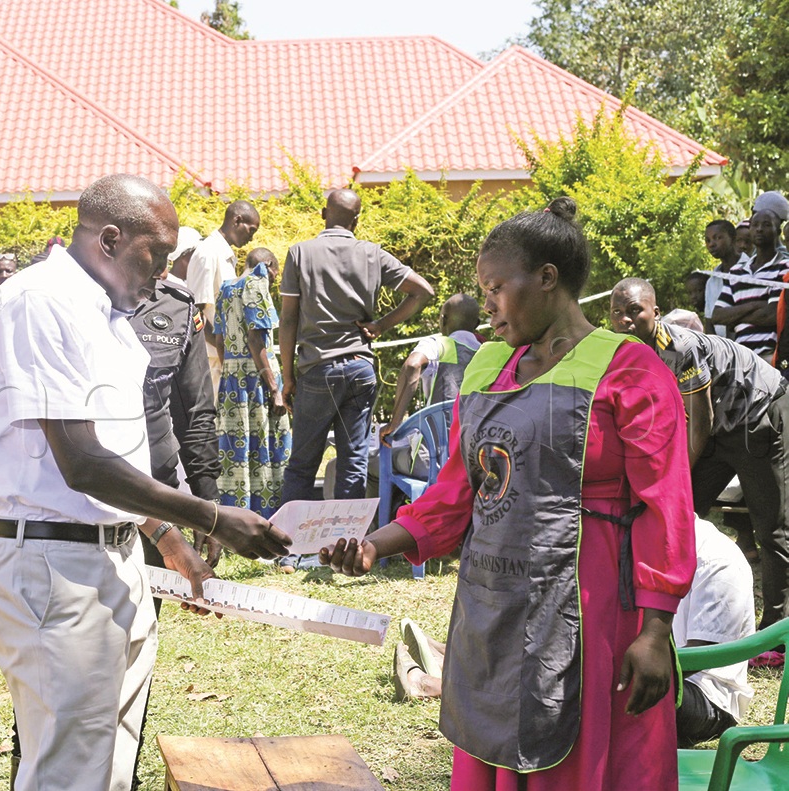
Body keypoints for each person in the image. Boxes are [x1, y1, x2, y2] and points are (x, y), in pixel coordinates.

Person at [321, 198, 695, 791]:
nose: (488, 303)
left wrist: (654, 630)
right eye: (483, 289)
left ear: (547, 279)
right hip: (491, 599)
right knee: (496, 737)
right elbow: (456, 493)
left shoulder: (630, 370)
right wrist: (377, 545)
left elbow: (665, 504)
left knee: (577, 753)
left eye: (498, 287)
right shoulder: (488, 367)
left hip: (592, 605)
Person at [0, 174, 290, 791]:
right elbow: (82, 462)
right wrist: (212, 516)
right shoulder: (42, 301)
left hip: (113, 557)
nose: (168, 271)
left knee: (113, 761)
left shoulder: (110, 311)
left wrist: (163, 533)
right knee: (69, 768)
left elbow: (117, 450)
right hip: (53, 564)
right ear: (110, 239)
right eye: (160, 253)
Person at [610, 277, 789, 647]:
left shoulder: (680, 346)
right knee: (677, 513)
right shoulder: (623, 351)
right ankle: (664, 613)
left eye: (635, 311)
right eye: (618, 313)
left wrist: (676, 474)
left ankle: (774, 634)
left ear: (654, 313)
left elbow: (701, 420)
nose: (626, 320)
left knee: (771, 528)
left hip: (759, 415)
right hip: (721, 425)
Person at [279, 188, 433, 505]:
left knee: (302, 465)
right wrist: (381, 325)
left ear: (323, 214)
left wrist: (287, 377)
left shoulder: (300, 253)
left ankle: (291, 547)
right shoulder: (372, 254)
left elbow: (289, 319)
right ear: (357, 220)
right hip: (360, 369)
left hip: (318, 369)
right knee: (353, 463)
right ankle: (348, 544)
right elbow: (423, 291)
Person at [129, 270, 223, 566]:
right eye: (154, 249)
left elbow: (195, 410)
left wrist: (207, 503)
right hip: (83, 499)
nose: (162, 265)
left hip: (156, 490)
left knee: (147, 607)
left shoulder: (178, 306)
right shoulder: (73, 300)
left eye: (168, 252)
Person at [214, 247, 291, 519]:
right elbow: (256, 340)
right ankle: (267, 515)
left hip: (233, 379)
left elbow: (220, 340)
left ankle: (237, 517)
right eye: (275, 274)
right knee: (265, 448)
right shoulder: (256, 284)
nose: (273, 280)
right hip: (257, 379)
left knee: (238, 451)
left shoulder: (227, 288)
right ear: (268, 265)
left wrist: (231, 374)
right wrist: (274, 389)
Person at [380, 294, 481, 479]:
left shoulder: (438, 343)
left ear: (442, 319)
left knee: (374, 462)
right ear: (477, 324)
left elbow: (412, 365)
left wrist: (395, 422)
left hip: (433, 461)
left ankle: (385, 509)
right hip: (473, 465)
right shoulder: (487, 351)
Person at [674, 517, 755, 747]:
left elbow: (701, 656)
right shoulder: (644, 548)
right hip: (669, 672)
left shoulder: (716, 560)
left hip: (710, 695)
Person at [186, 201, 260, 394]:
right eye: (250, 230)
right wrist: (225, 350)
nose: (251, 239)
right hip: (213, 361)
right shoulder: (208, 253)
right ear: (237, 220)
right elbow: (194, 312)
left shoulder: (223, 253)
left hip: (224, 358)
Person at [711, 198, 789, 359]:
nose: (759, 229)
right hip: (743, 359)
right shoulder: (736, 272)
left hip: (772, 357)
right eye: (755, 225)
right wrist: (755, 304)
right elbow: (718, 316)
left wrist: (735, 316)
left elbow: (773, 314)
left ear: (778, 231)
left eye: (766, 225)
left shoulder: (784, 267)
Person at [702, 219, 743, 338]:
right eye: (707, 240)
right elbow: (709, 321)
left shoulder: (750, 270)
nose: (711, 244)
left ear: (733, 238)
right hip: (723, 350)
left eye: (717, 238)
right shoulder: (712, 281)